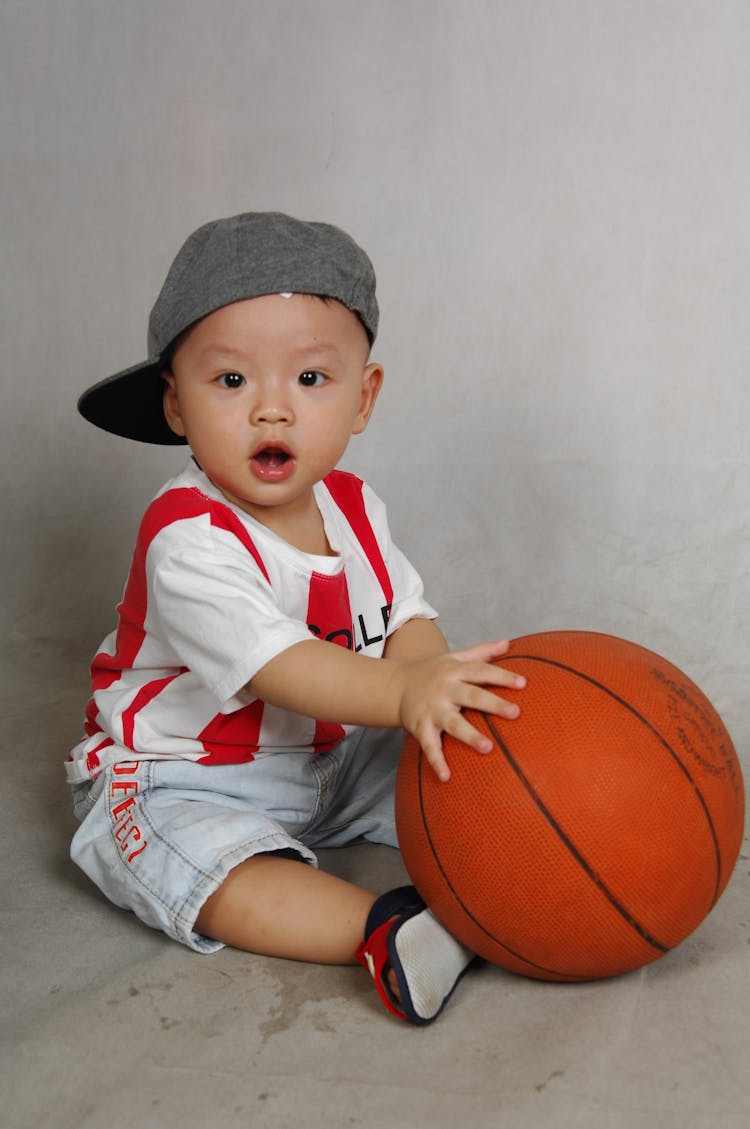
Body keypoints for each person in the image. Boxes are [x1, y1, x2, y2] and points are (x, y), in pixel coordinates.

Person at [68, 212, 526, 1025]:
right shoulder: (187, 536)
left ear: (364, 397)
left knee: (466, 759)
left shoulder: (355, 505)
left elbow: (402, 620)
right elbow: (282, 664)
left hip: (330, 757)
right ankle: (390, 927)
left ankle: (521, 864)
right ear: (176, 405)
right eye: (232, 381)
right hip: (186, 771)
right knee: (198, 862)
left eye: (310, 380)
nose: (272, 411)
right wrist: (401, 692)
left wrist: (432, 684)